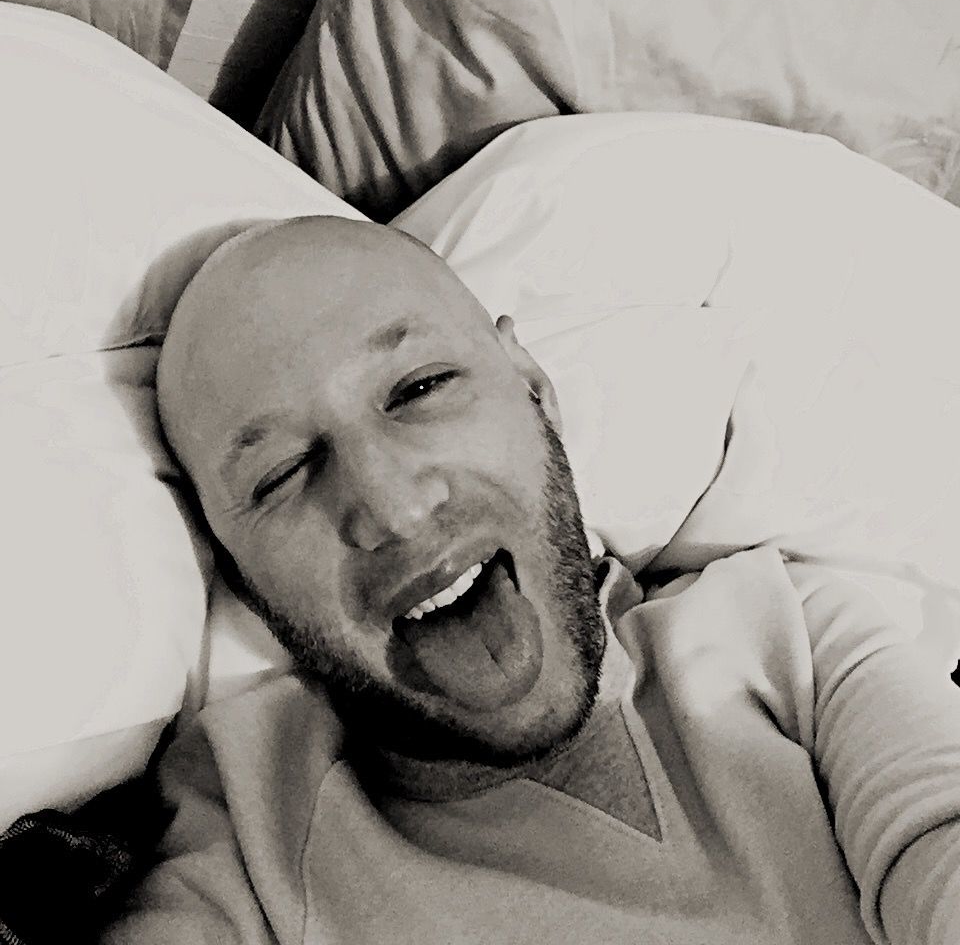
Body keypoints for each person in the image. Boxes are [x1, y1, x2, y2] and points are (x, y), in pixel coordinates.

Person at [104, 215, 960, 944]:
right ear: (242, 578)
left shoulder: (791, 637)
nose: (391, 509)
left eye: (420, 388)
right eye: (282, 474)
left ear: (535, 390)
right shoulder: (247, 824)